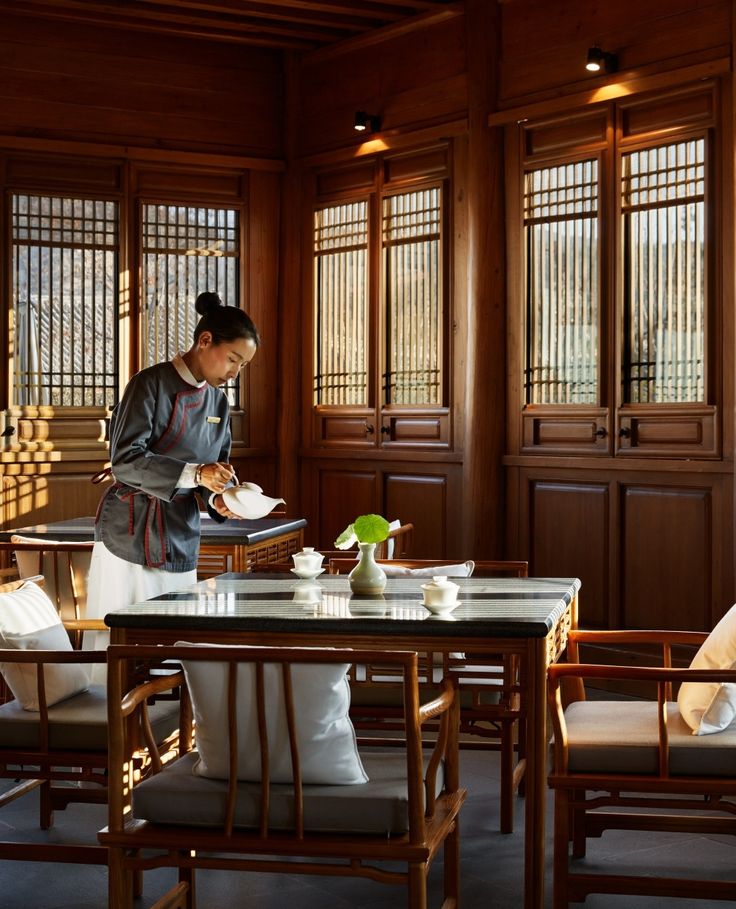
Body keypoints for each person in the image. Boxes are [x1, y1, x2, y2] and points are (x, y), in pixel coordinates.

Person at [85, 291, 259, 640]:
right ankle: (114, 696)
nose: (234, 372)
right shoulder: (148, 384)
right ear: (205, 341)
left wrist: (221, 498)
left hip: (181, 534)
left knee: (171, 640)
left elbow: (217, 472)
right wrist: (197, 474)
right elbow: (125, 461)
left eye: (242, 366)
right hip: (132, 535)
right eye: (232, 359)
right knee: (123, 641)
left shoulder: (218, 402)